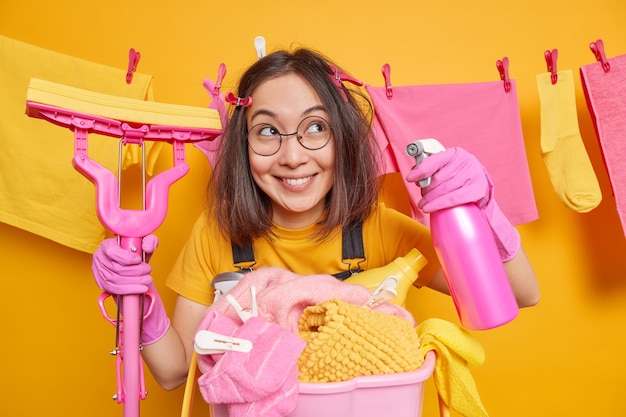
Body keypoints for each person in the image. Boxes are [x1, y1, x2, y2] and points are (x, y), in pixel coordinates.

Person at [92, 47, 540, 391]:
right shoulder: (216, 233)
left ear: (342, 139)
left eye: (315, 128)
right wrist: (139, 300)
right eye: (267, 131)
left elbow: (521, 293)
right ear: (241, 147)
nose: (292, 157)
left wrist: (485, 213)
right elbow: (176, 372)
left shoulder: (380, 228)